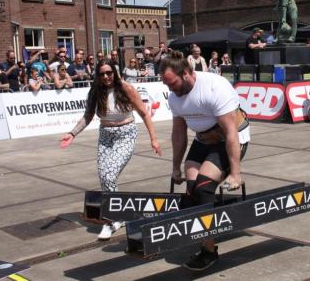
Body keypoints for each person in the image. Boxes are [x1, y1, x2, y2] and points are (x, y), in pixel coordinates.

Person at [159, 51, 250, 271]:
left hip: (229, 140)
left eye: (173, 84)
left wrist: (235, 173)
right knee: (192, 190)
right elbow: (179, 133)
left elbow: (230, 132)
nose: (171, 90)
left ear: (187, 73)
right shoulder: (174, 97)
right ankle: (202, 239)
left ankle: (209, 252)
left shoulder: (214, 87)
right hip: (202, 142)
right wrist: (175, 167)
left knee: (203, 188)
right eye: (167, 86)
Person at [60, 59, 162, 240]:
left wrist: (154, 139)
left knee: (109, 175)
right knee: (105, 178)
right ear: (97, 76)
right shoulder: (95, 92)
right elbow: (88, 116)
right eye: (102, 74)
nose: (106, 77)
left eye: (109, 73)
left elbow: (144, 114)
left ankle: (111, 219)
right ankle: (117, 216)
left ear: (115, 72)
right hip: (105, 136)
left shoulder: (126, 88)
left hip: (126, 135)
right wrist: (72, 133)